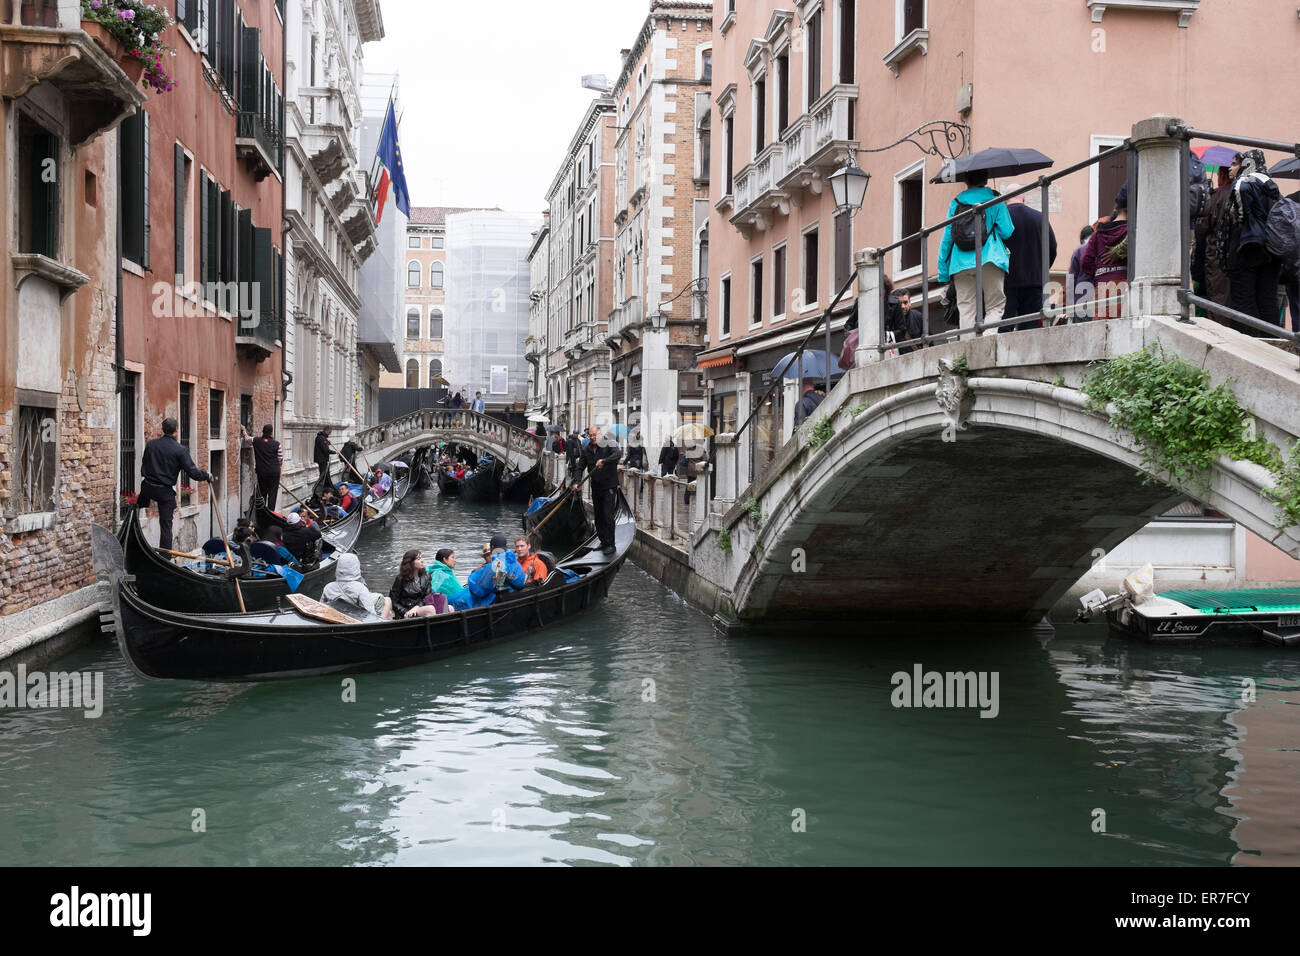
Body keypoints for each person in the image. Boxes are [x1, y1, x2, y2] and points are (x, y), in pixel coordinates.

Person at [937, 170, 1014, 330]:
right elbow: (1007, 231)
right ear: (986, 180)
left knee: (966, 309)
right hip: (990, 259)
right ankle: (987, 341)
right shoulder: (995, 199)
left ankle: (967, 350)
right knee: (995, 305)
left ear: (966, 180)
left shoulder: (956, 203)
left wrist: (943, 272)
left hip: (960, 264)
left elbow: (947, 239)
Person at [1219, 150, 1283, 334]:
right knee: (1267, 299)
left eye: (1234, 164)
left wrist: (1239, 216)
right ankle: (1275, 343)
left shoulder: (1244, 183)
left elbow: (1239, 217)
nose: (1230, 168)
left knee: (1242, 300)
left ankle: (1244, 346)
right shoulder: (1272, 187)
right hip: (1272, 250)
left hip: (1246, 248)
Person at [137, 417, 211, 550]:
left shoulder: (151, 444)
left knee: (138, 505)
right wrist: (206, 475)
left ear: (163, 430)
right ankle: (165, 558)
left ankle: (136, 510)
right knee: (166, 526)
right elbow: (193, 473)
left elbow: (144, 465)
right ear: (176, 431)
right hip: (164, 492)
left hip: (147, 487)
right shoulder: (180, 450)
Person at [1002, 188, 1058, 330]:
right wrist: (1041, 269)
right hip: (1035, 281)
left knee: (1003, 328)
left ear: (1004, 200)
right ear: (1024, 198)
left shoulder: (1001, 219)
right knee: (1031, 330)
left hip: (1006, 281)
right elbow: (1052, 247)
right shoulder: (1040, 217)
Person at [1080, 186, 1130, 321]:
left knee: (1101, 331)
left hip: (1102, 285)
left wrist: (1098, 273)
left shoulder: (1098, 233)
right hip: (1123, 284)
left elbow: (1086, 260)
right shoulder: (1131, 231)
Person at [574, 425, 622, 555]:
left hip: (609, 487)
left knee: (608, 515)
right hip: (596, 487)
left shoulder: (609, 443)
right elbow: (580, 467)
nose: (593, 437)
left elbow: (618, 454)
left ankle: (611, 544)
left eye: (595, 435)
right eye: (591, 435)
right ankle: (603, 541)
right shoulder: (587, 449)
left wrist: (604, 461)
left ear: (600, 434)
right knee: (599, 515)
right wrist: (576, 482)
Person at [451, 533, 526, 609]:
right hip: (512, 593)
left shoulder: (495, 565)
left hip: (499, 598)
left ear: (492, 547)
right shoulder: (515, 562)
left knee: (457, 601)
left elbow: (480, 591)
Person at [322, 552, 393, 620]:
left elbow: (321, 607)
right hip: (357, 620)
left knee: (386, 602)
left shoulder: (328, 587)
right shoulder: (360, 588)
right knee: (387, 602)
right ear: (356, 566)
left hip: (337, 617)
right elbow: (371, 614)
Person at [1203, 168, 1234, 309]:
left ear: (1222, 175)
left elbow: (1203, 226)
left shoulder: (1217, 195)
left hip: (1217, 254)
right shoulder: (1240, 192)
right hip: (1236, 253)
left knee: (1218, 296)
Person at [388, 549, 443, 619]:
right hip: (407, 612)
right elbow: (393, 601)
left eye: (421, 558)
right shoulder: (400, 579)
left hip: (421, 607)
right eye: (418, 559)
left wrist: (417, 607)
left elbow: (428, 596)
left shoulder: (426, 575)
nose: (422, 560)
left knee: (449, 608)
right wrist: (405, 611)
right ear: (410, 562)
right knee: (430, 609)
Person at [241, 424, 283, 511]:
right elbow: (280, 459)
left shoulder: (256, 441)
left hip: (262, 471)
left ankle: (262, 510)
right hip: (274, 471)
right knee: (272, 493)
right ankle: (271, 511)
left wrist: (244, 431)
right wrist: (276, 467)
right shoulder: (277, 444)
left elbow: (247, 439)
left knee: (263, 492)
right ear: (271, 433)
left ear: (263, 432)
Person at [1066, 225, 1095, 320]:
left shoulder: (1078, 252)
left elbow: (1070, 282)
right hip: (1098, 298)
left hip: (1080, 301)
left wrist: (1069, 307)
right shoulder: (1099, 249)